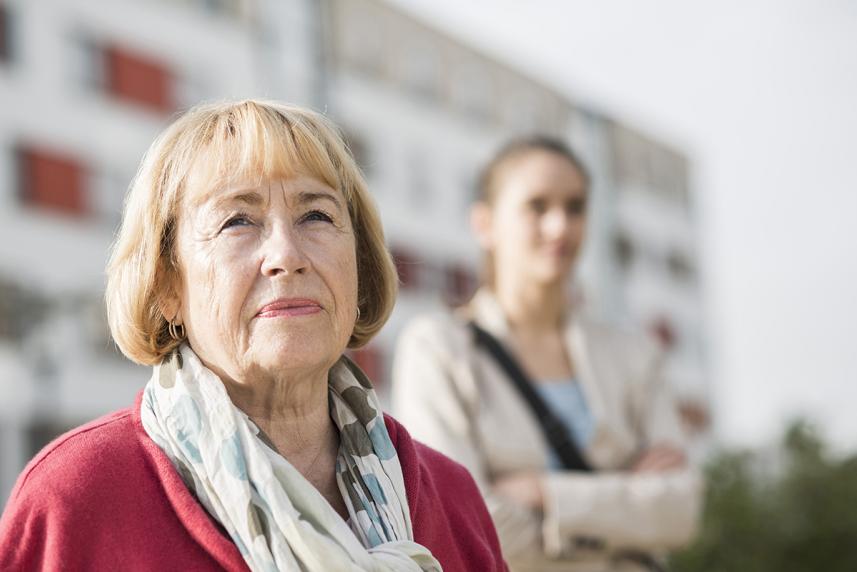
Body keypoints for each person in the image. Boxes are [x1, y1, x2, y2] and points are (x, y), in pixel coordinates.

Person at [0, 100, 507, 572]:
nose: (286, 255)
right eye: (237, 221)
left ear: (360, 266)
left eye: (317, 215)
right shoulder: (79, 495)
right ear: (167, 285)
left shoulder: (451, 495)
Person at [392, 136, 702, 571]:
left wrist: (544, 494)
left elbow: (678, 511)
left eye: (575, 207)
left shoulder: (635, 355)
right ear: (485, 223)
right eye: (537, 206)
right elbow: (461, 524)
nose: (560, 226)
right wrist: (625, 506)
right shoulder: (437, 348)